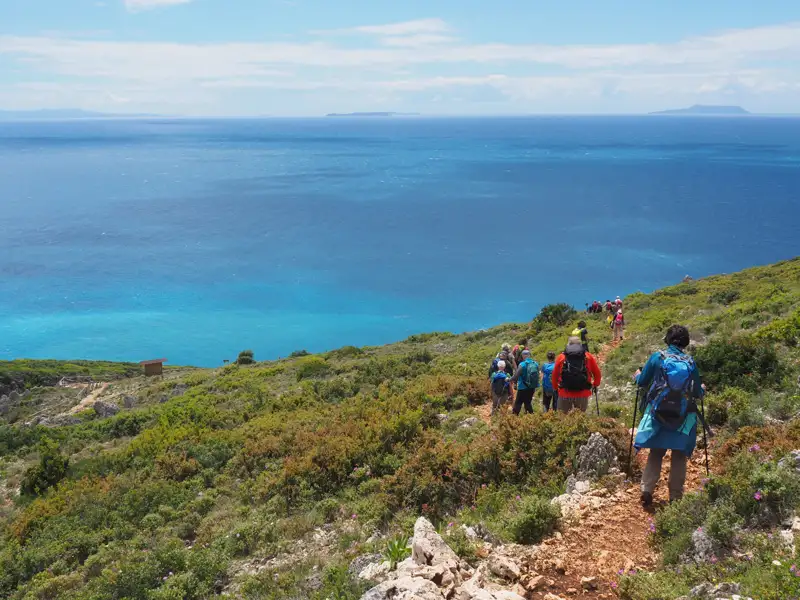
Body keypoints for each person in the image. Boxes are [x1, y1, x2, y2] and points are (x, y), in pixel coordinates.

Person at [634, 325, 705, 506]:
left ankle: (647, 490)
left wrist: (637, 375)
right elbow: (697, 392)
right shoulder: (690, 363)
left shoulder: (658, 357)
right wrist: (702, 390)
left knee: (656, 452)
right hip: (681, 416)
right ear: (685, 342)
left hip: (659, 414)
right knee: (679, 455)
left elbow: (642, 382)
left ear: (667, 339)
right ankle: (675, 496)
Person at [551, 336, 601, 413]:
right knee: (580, 418)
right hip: (583, 393)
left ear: (568, 345)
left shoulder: (561, 357)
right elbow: (597, 373)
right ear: (580, 345)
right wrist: (595, 384)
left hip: (565, 393)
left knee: (562, 419)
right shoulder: (588, 356)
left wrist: (555, 387)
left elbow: (554, 375)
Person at [511, 349, 539, 415]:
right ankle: (531, 416)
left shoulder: (522, 364)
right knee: (528, 402)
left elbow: (516, 376)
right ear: (529, 355)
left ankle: (513, 418)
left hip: (522, 387)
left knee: (518, 402)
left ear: (523, 356)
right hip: (532, 387)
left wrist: (509, 379)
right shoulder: (535, 364)